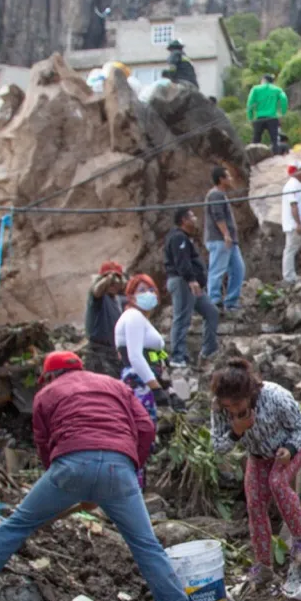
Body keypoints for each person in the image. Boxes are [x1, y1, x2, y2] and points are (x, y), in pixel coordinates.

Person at [0, 351, 202, 601]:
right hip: (119, 470)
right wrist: (131, 466)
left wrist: (63, 487)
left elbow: (44, 446)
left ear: (50, 376)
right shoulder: (115, 385)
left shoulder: (46, 395)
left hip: (69, 466)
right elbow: (145, 427)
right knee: (147, 546)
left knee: (15, 527)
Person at [210, 358, 301, 585]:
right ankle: (264, 565)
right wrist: (236, 431)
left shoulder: (275, 396)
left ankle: (299, 541)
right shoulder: (220, 410)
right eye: (229, 406)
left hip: (288, 448)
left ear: (249, 393)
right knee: (254, 503)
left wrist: (291, 448)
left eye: (237, 404)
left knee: (277, 483)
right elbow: (218, 447)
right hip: (258, 457)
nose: (234, 410)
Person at [116, 275, 179, 420]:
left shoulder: (143, 320)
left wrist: (170, 390)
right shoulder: (133, 316)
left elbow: (158, 357)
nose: (149, 294)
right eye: (142, 290)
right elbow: (135, 356)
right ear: (131, 297)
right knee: (145, 426)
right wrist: (155, 388)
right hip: (140, 381)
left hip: (151, 378)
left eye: (151, 289)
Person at [163, 209, 220, 370]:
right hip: (184, 282)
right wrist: (191, 279)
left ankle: (208, 350)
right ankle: (178, 356)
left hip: (192, 284)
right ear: (184, 220)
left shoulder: (186, 238)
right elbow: (182, 261)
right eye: (192, 216)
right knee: (182, 318)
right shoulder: (178, 238)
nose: (195, 218)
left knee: (211, 312)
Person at [204, 165, 244, 313]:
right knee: (217, 269)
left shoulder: (222, 194)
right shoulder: (215, 195)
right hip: (220, 240)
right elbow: (218, 216)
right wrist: (226, 234)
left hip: (230, 241)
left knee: (238, 269)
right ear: (221, 179)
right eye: (228, 176)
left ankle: (231, 300)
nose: (231, 179)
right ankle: (214, 300)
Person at [85, 261, 125, 376]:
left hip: (114, 354)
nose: (112, 284)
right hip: (98, 354)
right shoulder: (98, 298)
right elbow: (96, 291)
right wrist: (108, 279)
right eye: (109, 282)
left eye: (116, 281)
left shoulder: (118, 301)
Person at [281, 163, 301, 283]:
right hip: (294, 225)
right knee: (290, 249)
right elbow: (293, 206)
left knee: (292, 248)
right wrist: (298, 223)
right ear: (295, 172)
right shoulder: (292, 185)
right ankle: (289, 276)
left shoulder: (298, 185)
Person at [246, 74, 288, 152]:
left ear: (263, 80)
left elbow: (249, 103)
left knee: (256, 140)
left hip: (259, 118)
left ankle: (254, 159)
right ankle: (276, 157)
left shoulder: (255, 89)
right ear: (272, 82)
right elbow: (284, 99)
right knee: (274, 140)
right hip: (272, 117)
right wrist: (283, 113)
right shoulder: (277, 89)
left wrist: (250, 117)